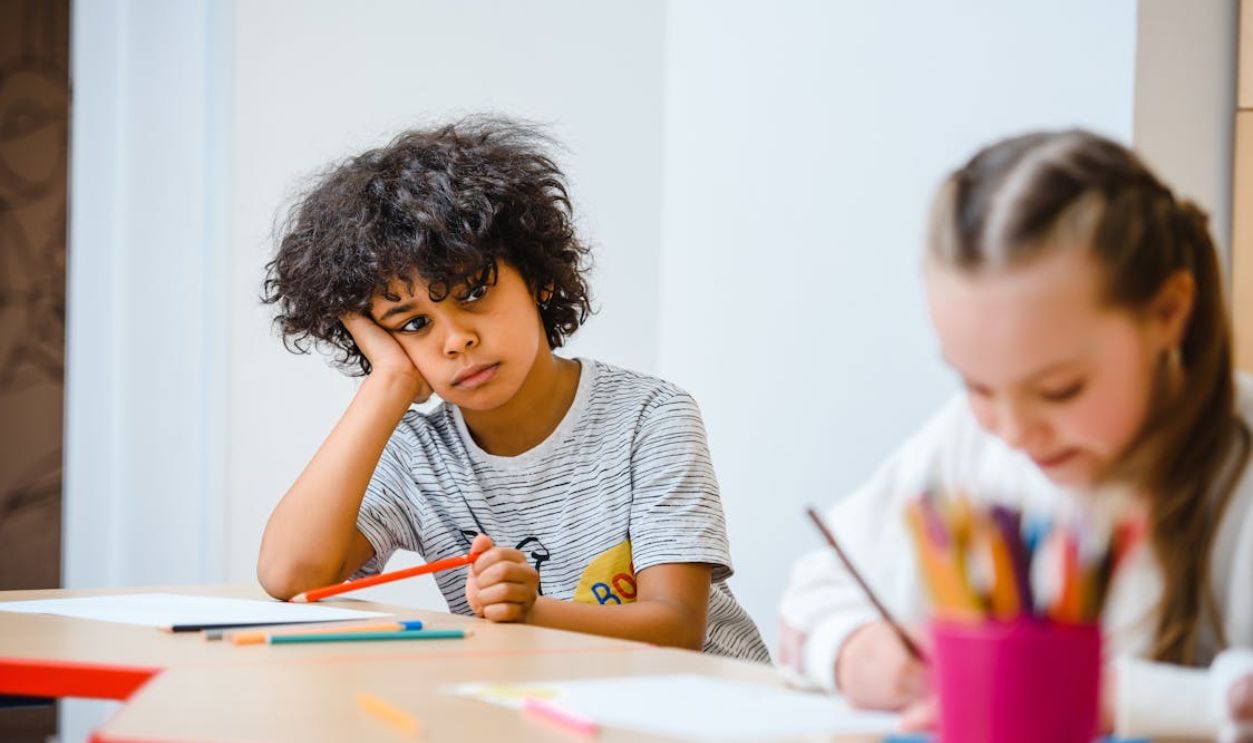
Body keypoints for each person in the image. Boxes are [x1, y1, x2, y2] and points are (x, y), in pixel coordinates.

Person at [779, 130, 1253, 737]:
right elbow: (813, 594)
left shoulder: (1236, 471)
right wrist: (852, 648)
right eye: (975, 385)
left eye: (1060, 390)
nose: (1013, 430)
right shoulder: (969, 444)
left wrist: (1108, 695)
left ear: (1168, 314)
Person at [256, 117, 768, 663]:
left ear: (539, 276)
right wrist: (387, 383)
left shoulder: (650, 416)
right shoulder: (418, 455)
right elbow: (289, 576)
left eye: (474, 292)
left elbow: (677, 629)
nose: (457, 340)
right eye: (412, 324)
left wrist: (533, 614)